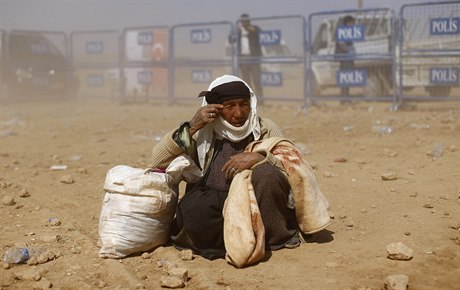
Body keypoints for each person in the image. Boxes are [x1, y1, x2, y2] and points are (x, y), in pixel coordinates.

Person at [150, 74, 299, 260]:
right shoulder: (202, 131)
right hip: (214, 205)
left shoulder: (264, 128)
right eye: (230, 106)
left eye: (244, 104)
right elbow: (157, 160)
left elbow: (293, 164)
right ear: (215, 109)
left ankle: (274, 237)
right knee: (195, 207)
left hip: (255, 203)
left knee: (268, 174)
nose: (238, 114)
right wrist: (191, 127)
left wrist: (260, 156)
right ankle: (234, 241)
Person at [233, 13, 264, 103]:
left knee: (257, 80)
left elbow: (262, 35)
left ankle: (261, 101)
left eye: (246, 21)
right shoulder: (238, 31)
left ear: (249, 21)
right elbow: (231, 40)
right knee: (246, 82)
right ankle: (249, 101)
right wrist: (236, 32)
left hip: (254, 59)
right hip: (243, 59)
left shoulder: (254, 29)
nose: (245, 23)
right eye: (243, 21)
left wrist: (253, 31)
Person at [335, 15, 356, 98]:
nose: (353, 25)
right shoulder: (342, 32)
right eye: (352, 23)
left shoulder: (348, 32)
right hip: (345, 59)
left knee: (348, 79)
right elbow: (342, 44)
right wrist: (349, 51)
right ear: (348, 22)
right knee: (345, 79)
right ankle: (344, 99)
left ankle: (346, 97)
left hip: (349, 58)